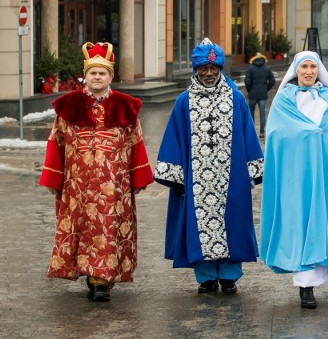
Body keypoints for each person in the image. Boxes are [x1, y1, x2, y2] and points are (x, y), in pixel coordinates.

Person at [39, 42, 154, 302]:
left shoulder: (126, 108)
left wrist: (138, 179)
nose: (98, 77)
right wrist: (52, 178)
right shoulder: (68, 107)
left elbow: (136, 143)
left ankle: (101, 280)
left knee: (107, 231)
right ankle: (89, 274)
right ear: (85, 76)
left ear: (111, 76)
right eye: (93, 73)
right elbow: (55, 142)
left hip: (114, 187)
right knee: (80, 229)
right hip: (77, 185)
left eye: (102, 73)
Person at [154, 38, 264, 295]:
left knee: (233, 223)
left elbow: (248, 133)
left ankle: (228, 276)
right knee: (196, 224)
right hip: (196, 181)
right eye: (203, 68)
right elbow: (175, 138)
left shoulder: (235, 98)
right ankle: (205, 277)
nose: (209, 73)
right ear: (196, 69)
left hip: (232, 176)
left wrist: (252, 169)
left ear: (220, 69)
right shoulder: (184, 101)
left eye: (213, 68)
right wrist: (176, 178)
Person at [260, 51, 328, 309]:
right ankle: (305, 287)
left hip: (325, 170)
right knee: (299, 221)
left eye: (313, 67)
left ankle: (316, 278)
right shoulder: (283, 100)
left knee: (322, 218)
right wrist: (308, 133)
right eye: (305, 67)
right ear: (296, 71)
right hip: (296, 173)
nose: (309, 71)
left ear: (319, 70)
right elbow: (277, 133)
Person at [244, 52, 276, 138]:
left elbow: (247, 82)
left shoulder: (250, 69)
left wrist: (249, 90)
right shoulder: (267, 69)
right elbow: (272, 81)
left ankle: (251, 131)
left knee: (250, 113)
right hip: (262, 94)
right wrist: (266, 89)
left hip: (252, 95)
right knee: (262, 113)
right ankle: (262, 132)